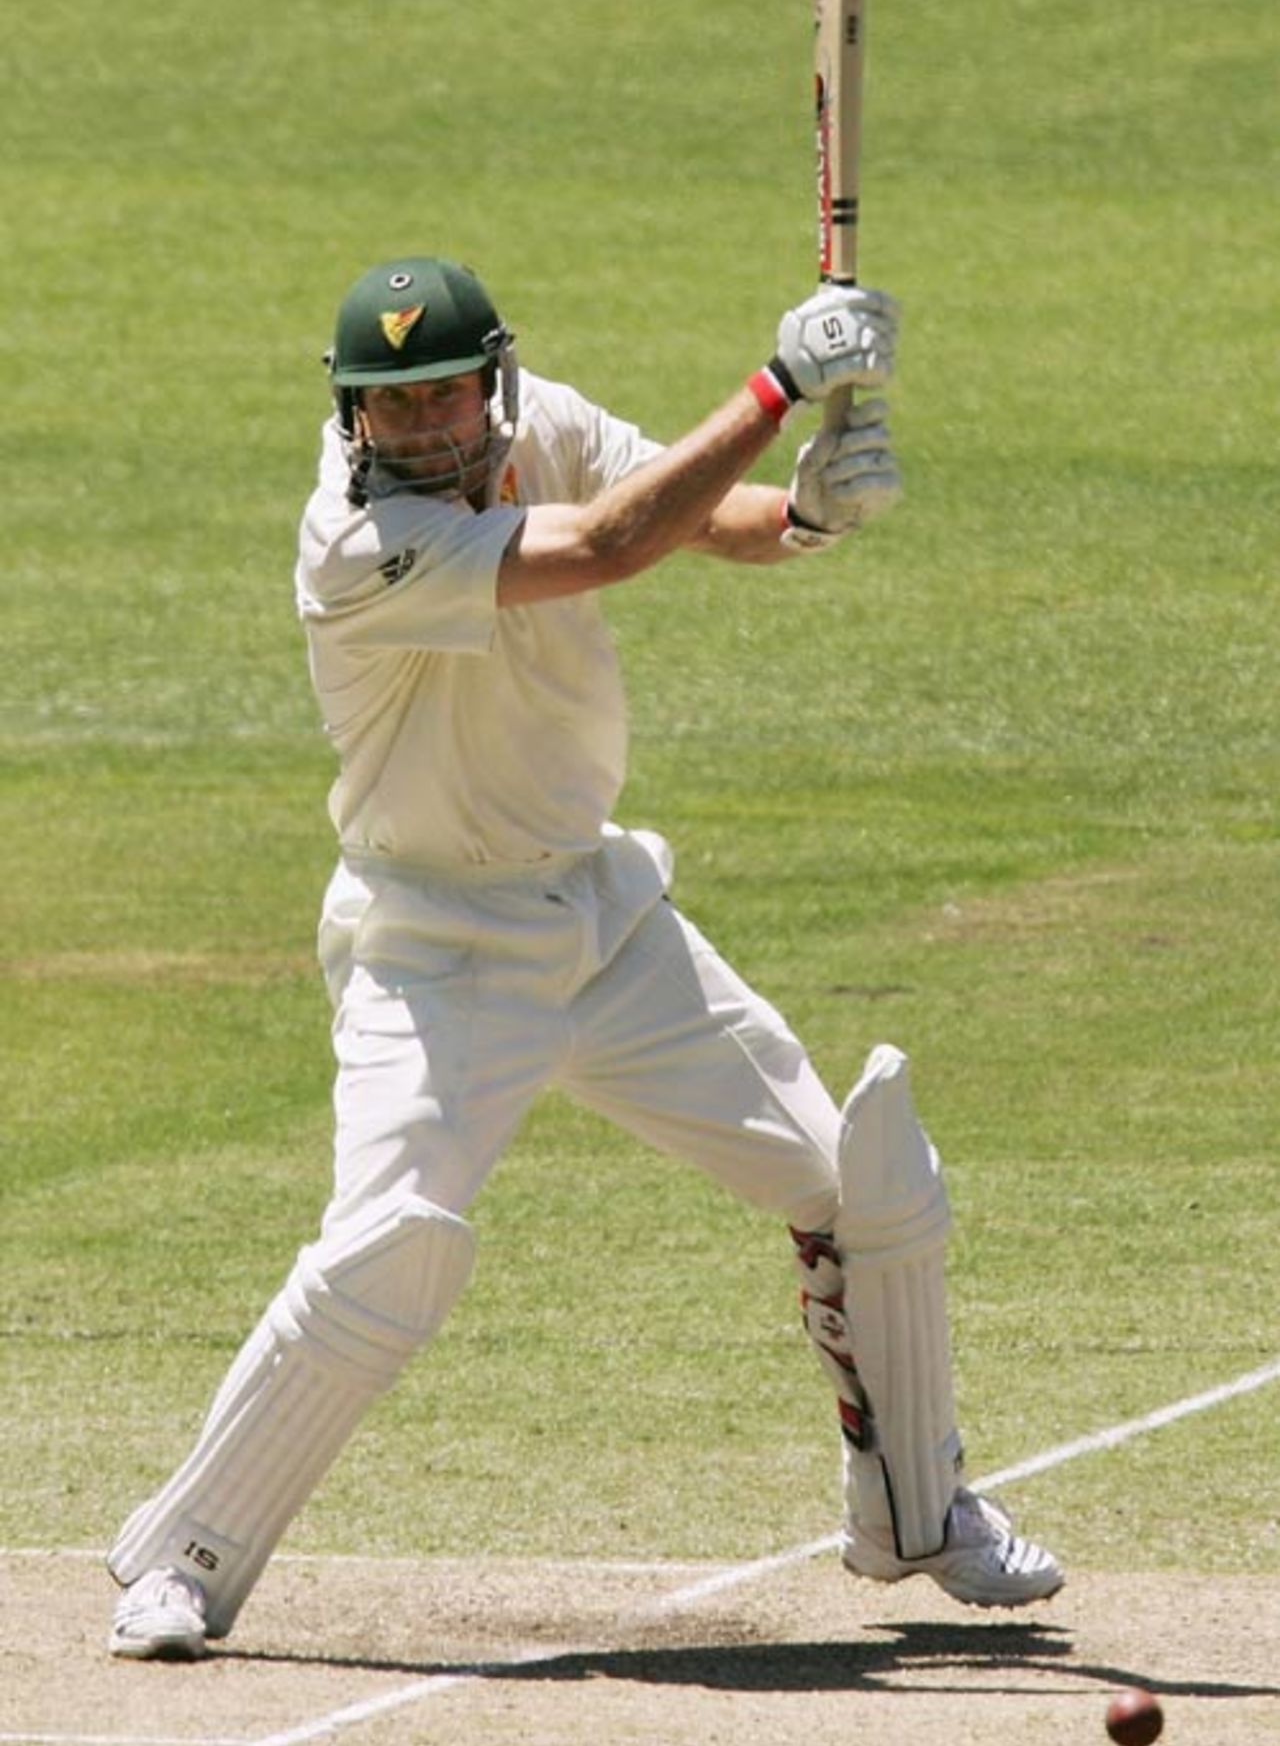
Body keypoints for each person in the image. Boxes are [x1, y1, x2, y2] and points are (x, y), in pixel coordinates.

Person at [106, 257, 1062, 1661]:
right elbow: (613, 543)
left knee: (863, 1190)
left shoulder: (538, 418)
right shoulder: (355, 539)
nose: (420, 427)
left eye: (443, 395)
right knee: (385, 1250)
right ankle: (182, 1556)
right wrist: (778, 388)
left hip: (606, 920)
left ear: (491, 380)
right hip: (433, 949)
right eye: (389, 405)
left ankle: (918, 1514)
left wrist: (800, 515)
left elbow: (684, 508)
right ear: (350, 412)